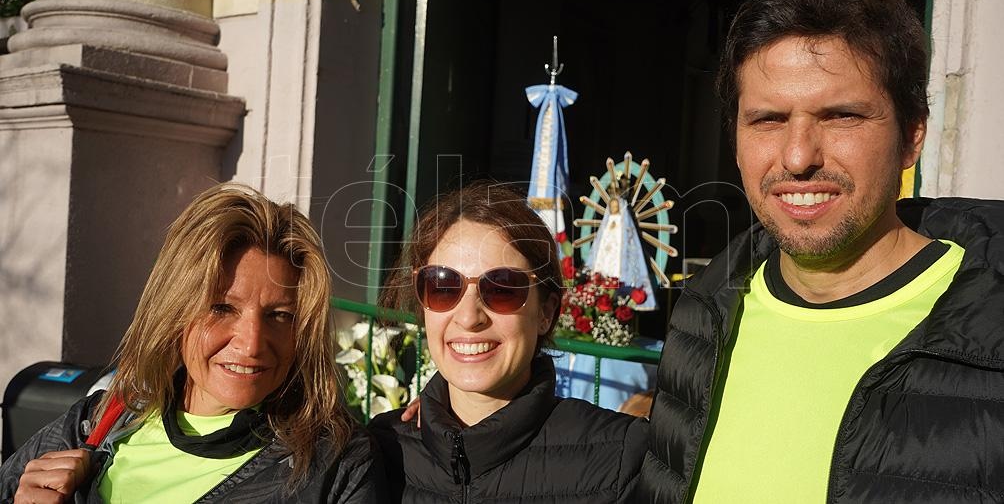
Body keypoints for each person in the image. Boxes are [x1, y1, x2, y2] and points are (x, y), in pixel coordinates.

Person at [636, 0, 1004, 503]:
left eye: (841, 116)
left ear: (913, 136)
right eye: (768, 119)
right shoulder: (701, 314)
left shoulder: (989, 332)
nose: (798, 156)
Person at [0, 183, 385, 503]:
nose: (252, 343)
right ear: (174, 311)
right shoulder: (97, 422)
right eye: (221, 308)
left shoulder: (337, 465)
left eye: (279, 315)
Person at [369, 181, 647, 503]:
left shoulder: (619, 459)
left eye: (502, 288)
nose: (469, 317)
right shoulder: (381, 450)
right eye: (443, 286)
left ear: (546, 311)